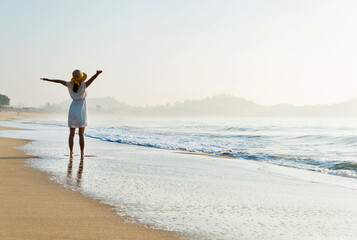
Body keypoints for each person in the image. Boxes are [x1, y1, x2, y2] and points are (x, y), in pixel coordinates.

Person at [41, 69, 103, 159]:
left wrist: (48, 79)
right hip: (81, 109)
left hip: (73, 108)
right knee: (81, 134)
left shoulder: (70, 84)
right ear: (81, 77)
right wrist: (97, 74)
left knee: (71, 134)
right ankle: (82, 153)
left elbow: (59, 81)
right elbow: (92, 79)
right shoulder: (84, 85)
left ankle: (71, 152)